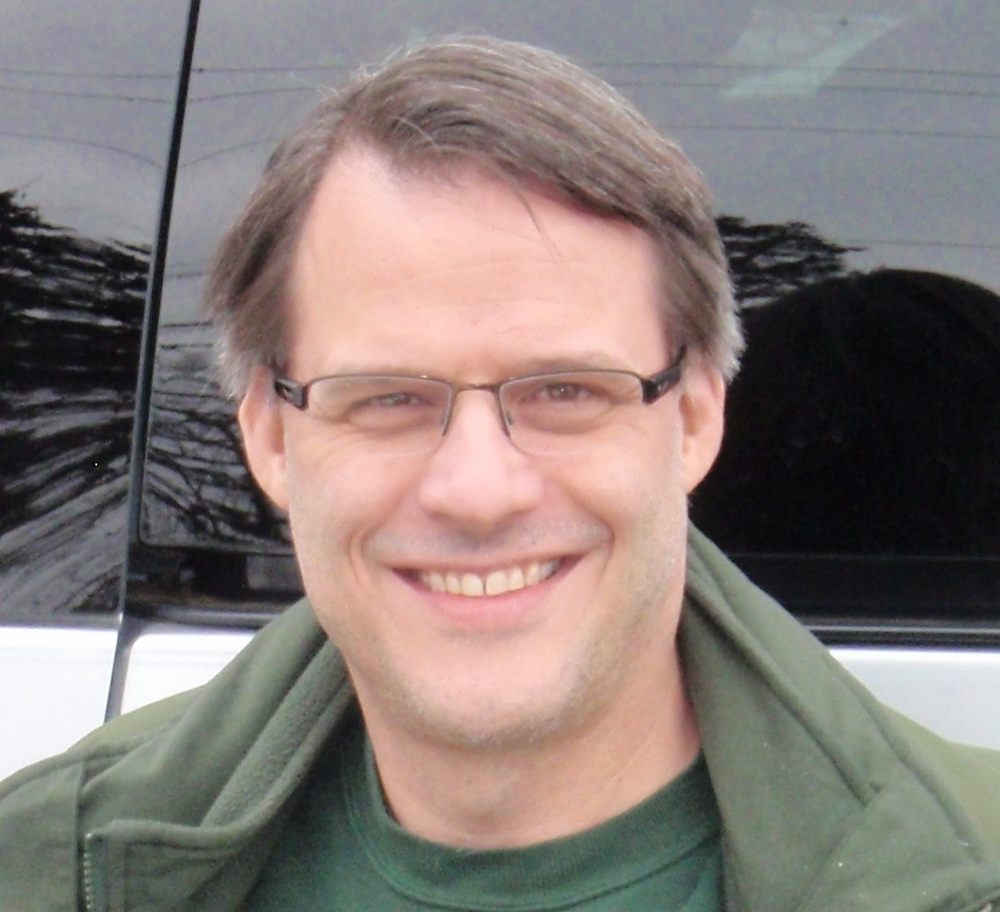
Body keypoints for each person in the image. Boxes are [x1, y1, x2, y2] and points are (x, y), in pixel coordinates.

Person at [1, 35, 998, 912]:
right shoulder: (47, 868)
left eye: (565, 391)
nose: (478, 491)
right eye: (386, 398)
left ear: (696, 415)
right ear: (267, 435)